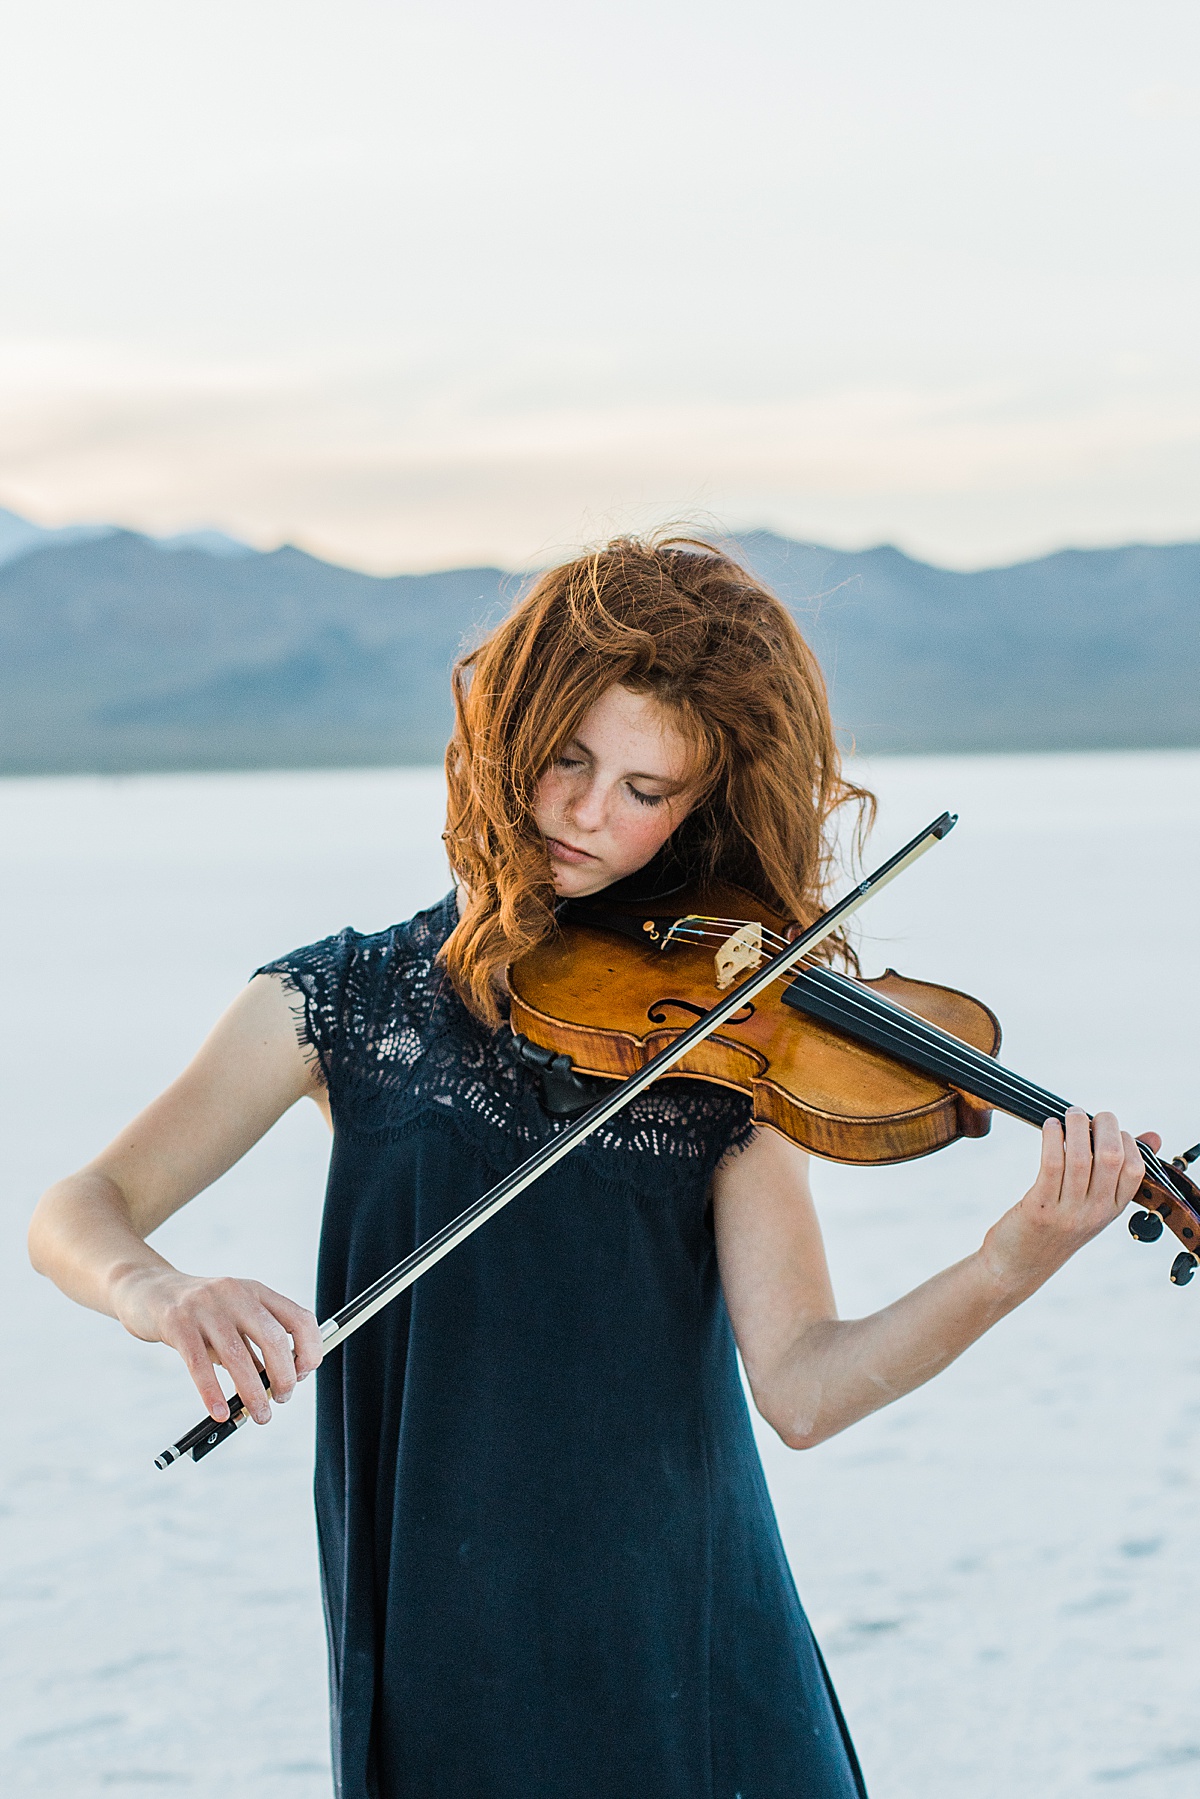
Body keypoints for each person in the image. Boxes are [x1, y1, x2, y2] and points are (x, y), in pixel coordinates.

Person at [28, 534, 1153, 1799]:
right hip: (447, 1658)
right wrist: (162, 1292)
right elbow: (81, 1207)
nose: (585, 813)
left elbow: (804, 1388)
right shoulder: (340, 1004)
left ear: (699, 809)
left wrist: (1013, 1260)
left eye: (644, 788)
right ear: (507, 730)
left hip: (700, 1664)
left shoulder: (724, 1051)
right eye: (569, 756)